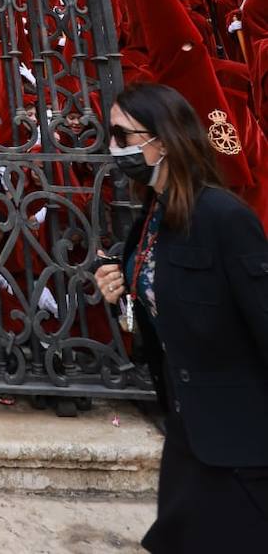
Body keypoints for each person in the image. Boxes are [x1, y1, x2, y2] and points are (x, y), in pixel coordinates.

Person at [95, 83, 268, 552]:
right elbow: (158, 303)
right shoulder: (152, 214)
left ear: (163, 141)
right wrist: (120, 286)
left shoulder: (224, 218)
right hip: (189, 431)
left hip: (242, 442)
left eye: (123, 135)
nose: (114, 147)